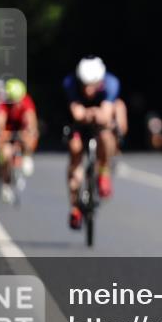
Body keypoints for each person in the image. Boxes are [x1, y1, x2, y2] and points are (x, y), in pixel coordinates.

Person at [63, 56, 122, 230]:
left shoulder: (111, 83)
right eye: (84, 85)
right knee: (75, 153)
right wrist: (90, 113)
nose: (88, 90)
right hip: (77, 126)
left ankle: (103, 171)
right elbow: (77, 114)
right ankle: (74, 207)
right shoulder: (70, 83)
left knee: (106, 136)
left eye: (92, 85)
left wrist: (93, 113)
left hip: (99, 126)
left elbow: (105, 114)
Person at [0, 79, 38, 203]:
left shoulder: (26, 101)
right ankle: (5, 182)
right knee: (6, 153)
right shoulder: (3, 104)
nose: (16, 104)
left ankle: (27, 155)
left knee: (31, 136)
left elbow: (31, 120)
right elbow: (0, 123)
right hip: (8, 130)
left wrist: (30, 131)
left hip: (21, 129)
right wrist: (2, 134)